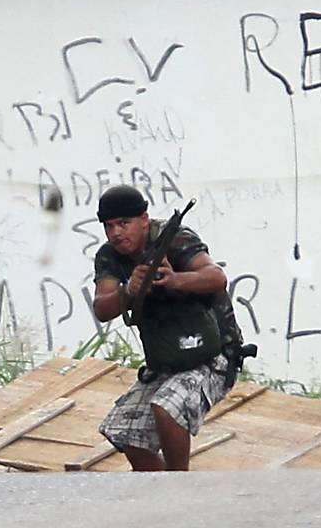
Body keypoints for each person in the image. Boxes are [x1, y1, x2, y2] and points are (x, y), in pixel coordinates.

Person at [91, 185, 230, 471]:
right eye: (109, 226)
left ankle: (179, 487)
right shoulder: (110, 256)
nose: (116, 233)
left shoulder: (175, 239)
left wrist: (174, 280)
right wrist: (129, 290)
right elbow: (102, 308)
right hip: (165, 362)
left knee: (167, 408)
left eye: (124, 223)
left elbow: (216, 277)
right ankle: (161, 490)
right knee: (124, 432)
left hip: (211, 358)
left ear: (144, 219)